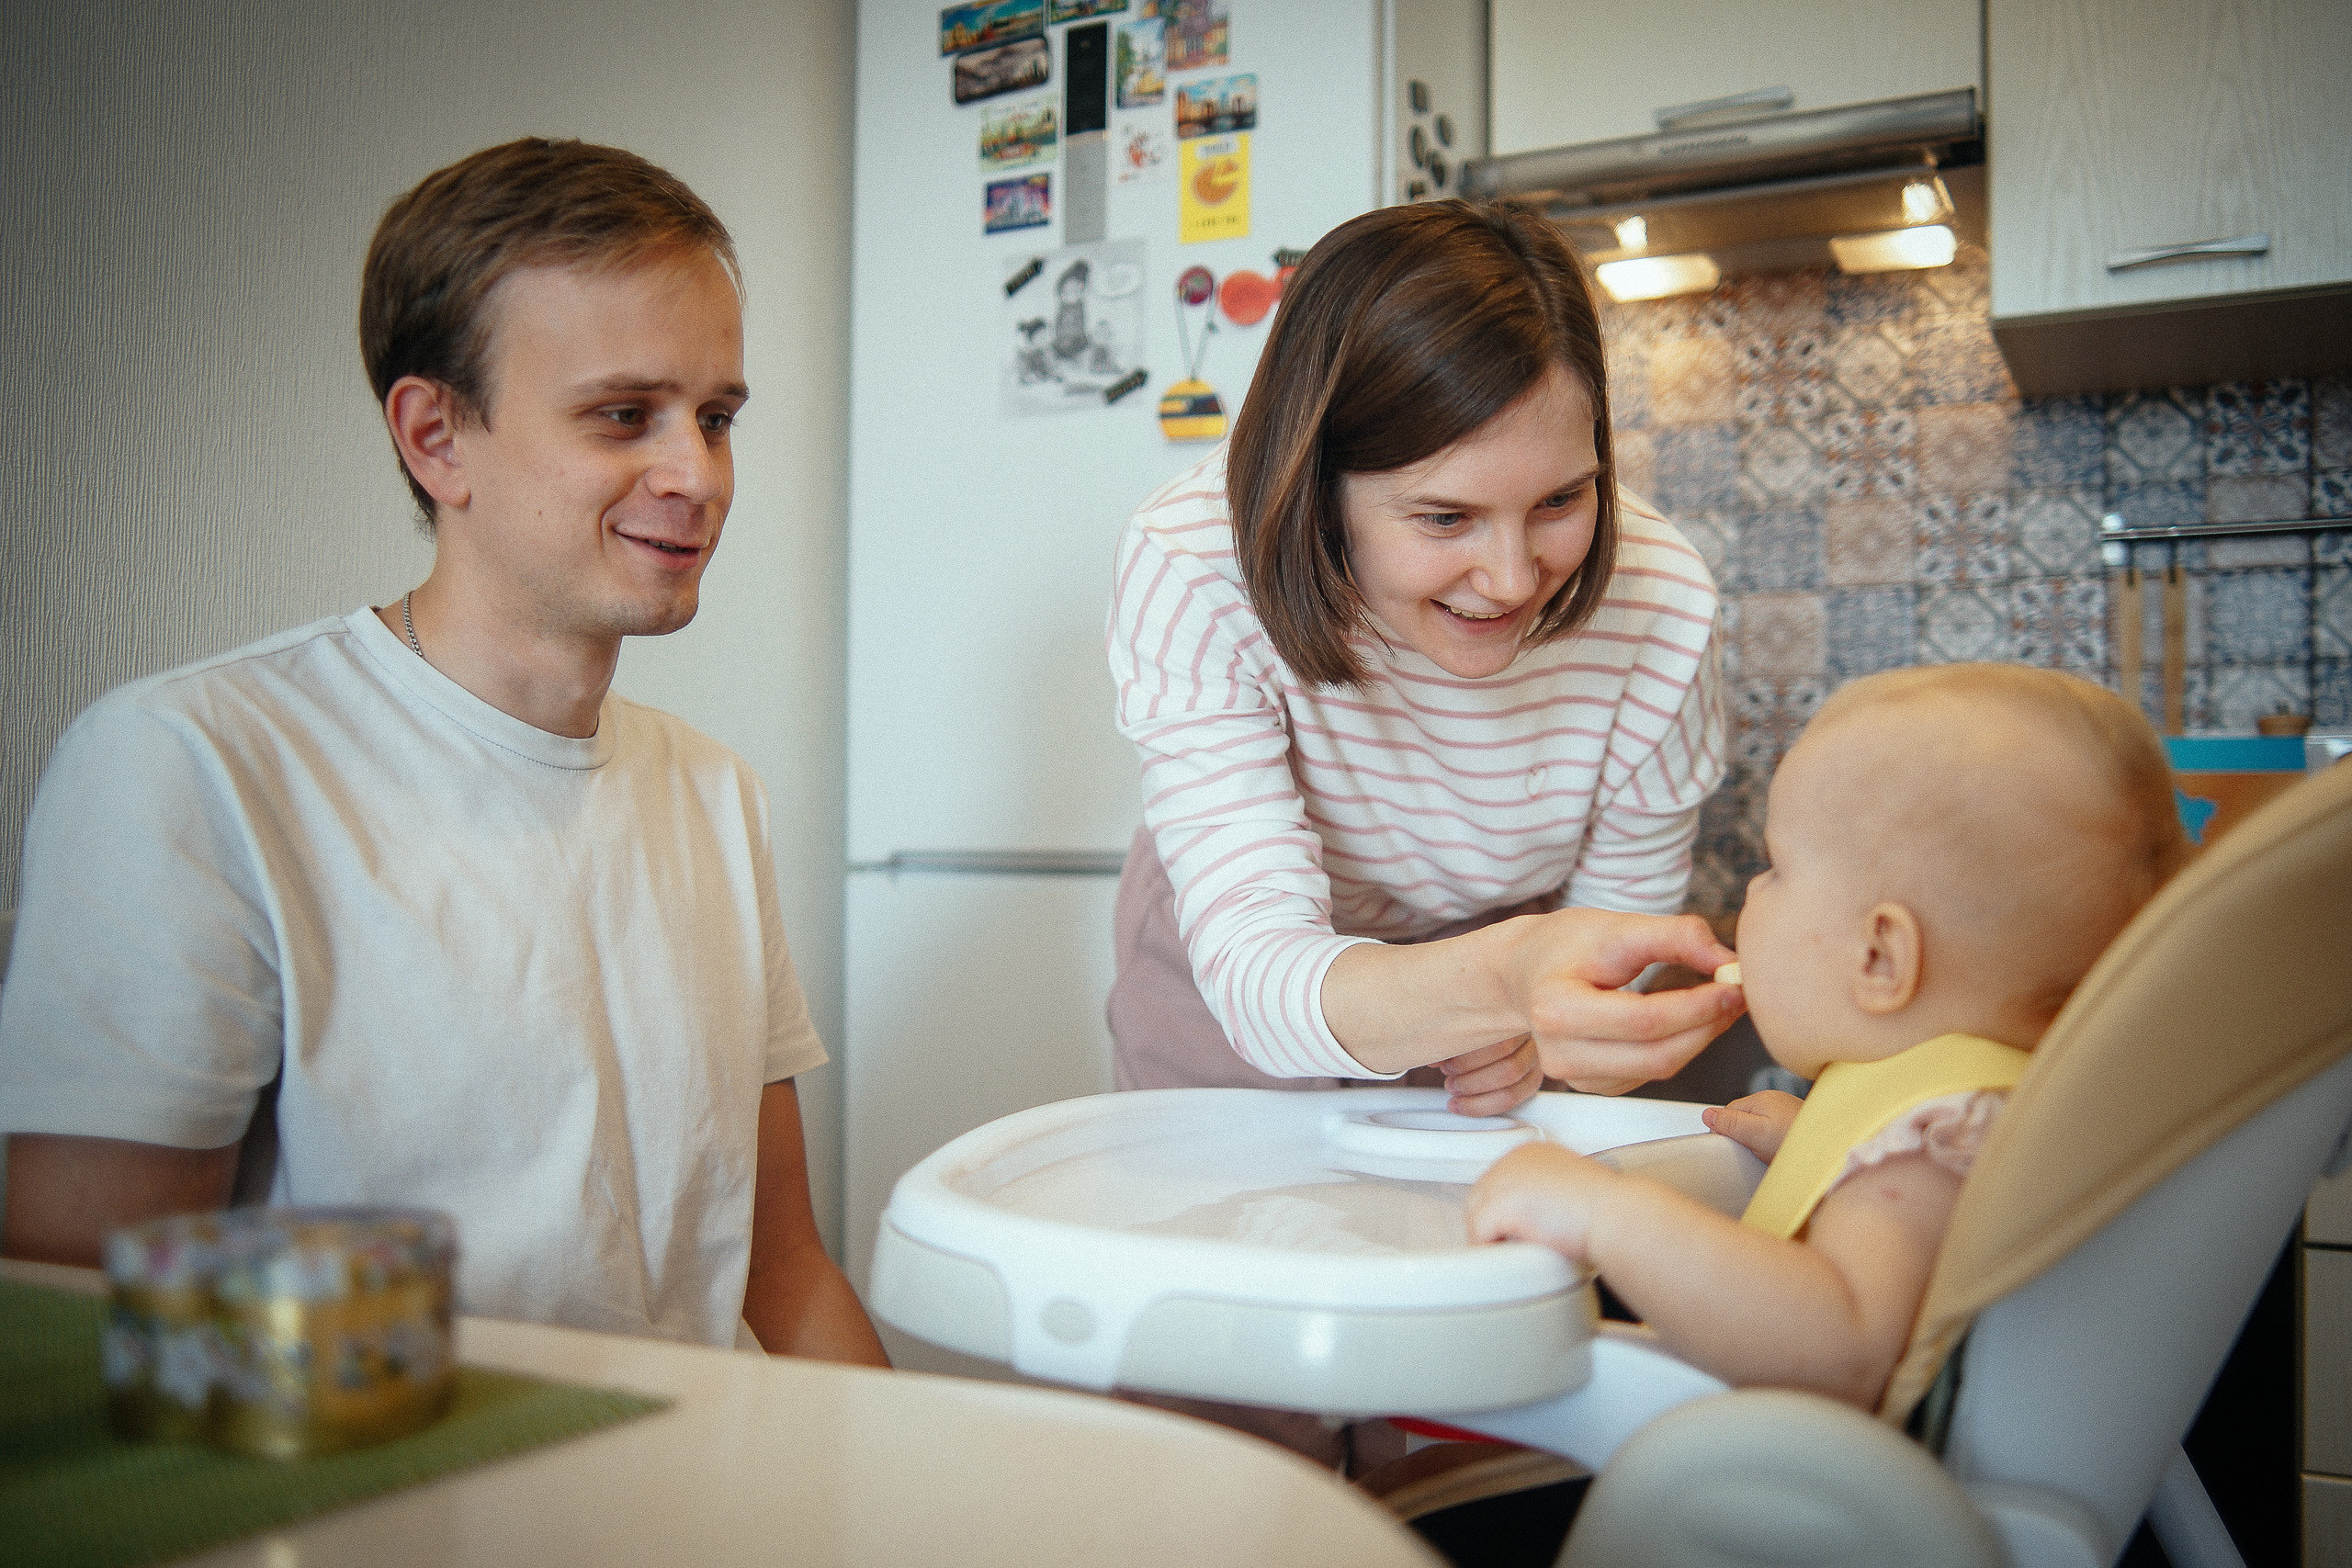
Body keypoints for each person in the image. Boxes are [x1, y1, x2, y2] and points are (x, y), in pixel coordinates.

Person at [0, 138, 888, 1366]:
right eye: (625, 414)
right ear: (435, 438)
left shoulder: (713, 791)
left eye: (718, 416)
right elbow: (76, 1324)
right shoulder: (194, 766)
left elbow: (785, 1280)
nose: (698, 475)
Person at [1106, 198, 1744, 1119]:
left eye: (1561, 500)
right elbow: (1255, 967)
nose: (1510, 578)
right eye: (1444, 517)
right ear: (1317, 485)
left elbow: (1613, 939)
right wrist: (1504, 980)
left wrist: (1559, 1021)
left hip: (1502, 958)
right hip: (1235, 953)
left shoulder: (1662, 605)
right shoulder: (1193, 561)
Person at [1467, 663, 2190, 1409]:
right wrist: (1825, 1143)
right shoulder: (1969, 1110)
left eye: (1776, 867)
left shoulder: (1929, 1146)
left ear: (1880, 958)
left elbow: (1841, 1345)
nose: (1751, 891)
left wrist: (1603, 1214)